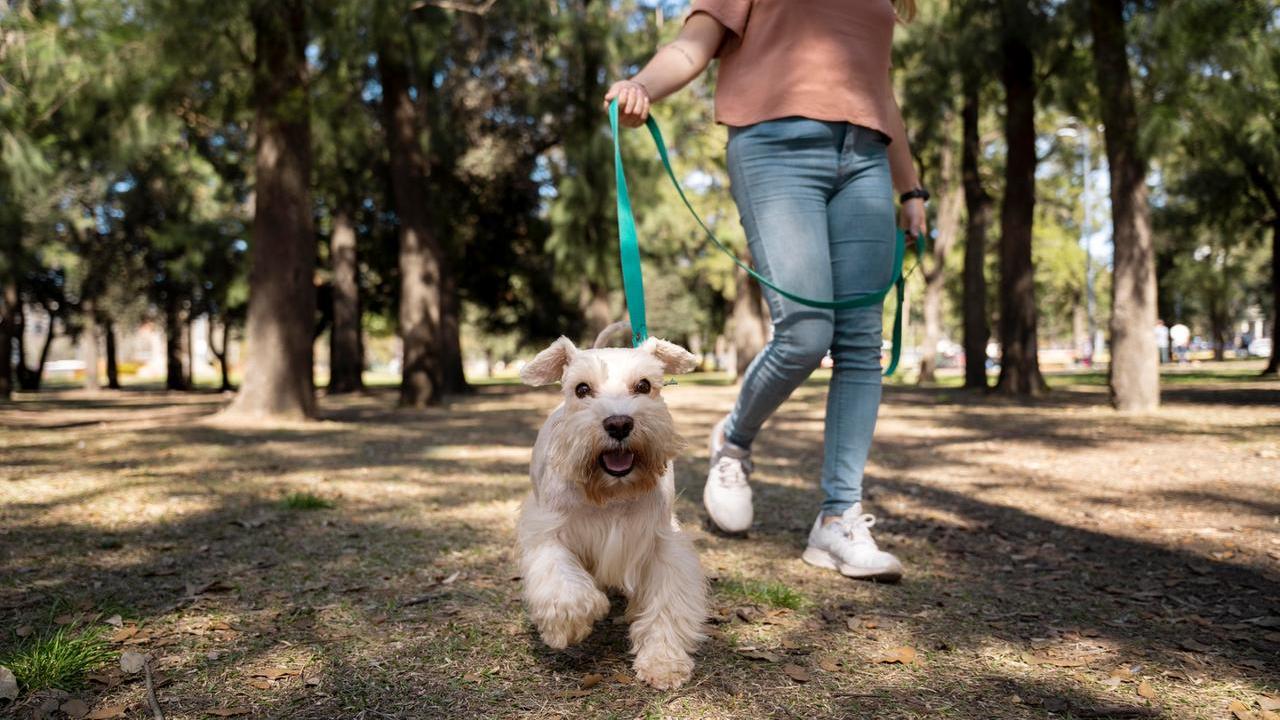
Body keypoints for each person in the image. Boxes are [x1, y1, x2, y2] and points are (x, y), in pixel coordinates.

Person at [605, 0, 926, 582]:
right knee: (805, 331)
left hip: (867, 158)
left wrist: (912, 190)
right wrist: (642, 85)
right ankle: (733, 440)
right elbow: (694, 44)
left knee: (861, 341)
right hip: (775, 146)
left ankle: (837, 519)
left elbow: (881, 91)